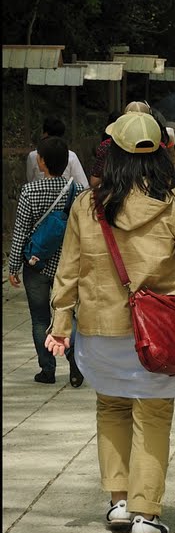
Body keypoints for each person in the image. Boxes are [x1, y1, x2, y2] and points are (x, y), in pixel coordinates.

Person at [44, 112, 175, 533]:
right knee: (154, 414)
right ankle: (147, 513)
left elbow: (67, 270)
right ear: (160, 155)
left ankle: (119, 502)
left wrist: (60, 323)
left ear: (111, 155)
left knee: (111, 408)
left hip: (99, 329)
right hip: (159, 330)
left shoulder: (87, 206)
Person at [9, 136, 86, 386]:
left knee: (40, 318)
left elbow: (21, 230)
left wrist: (13, 266)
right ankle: (75, 363)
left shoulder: (29, 191)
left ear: (41, 162)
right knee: (68, 312)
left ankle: (47, 369)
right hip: (67, 264)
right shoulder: (77, 192)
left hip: (36, 264)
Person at [26, 116, 89, 188]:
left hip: (38, 195)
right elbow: (84, 184)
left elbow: (30, 179)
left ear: (45, 134)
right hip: (66, 196)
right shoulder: (71, 156)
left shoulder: (34, 156)